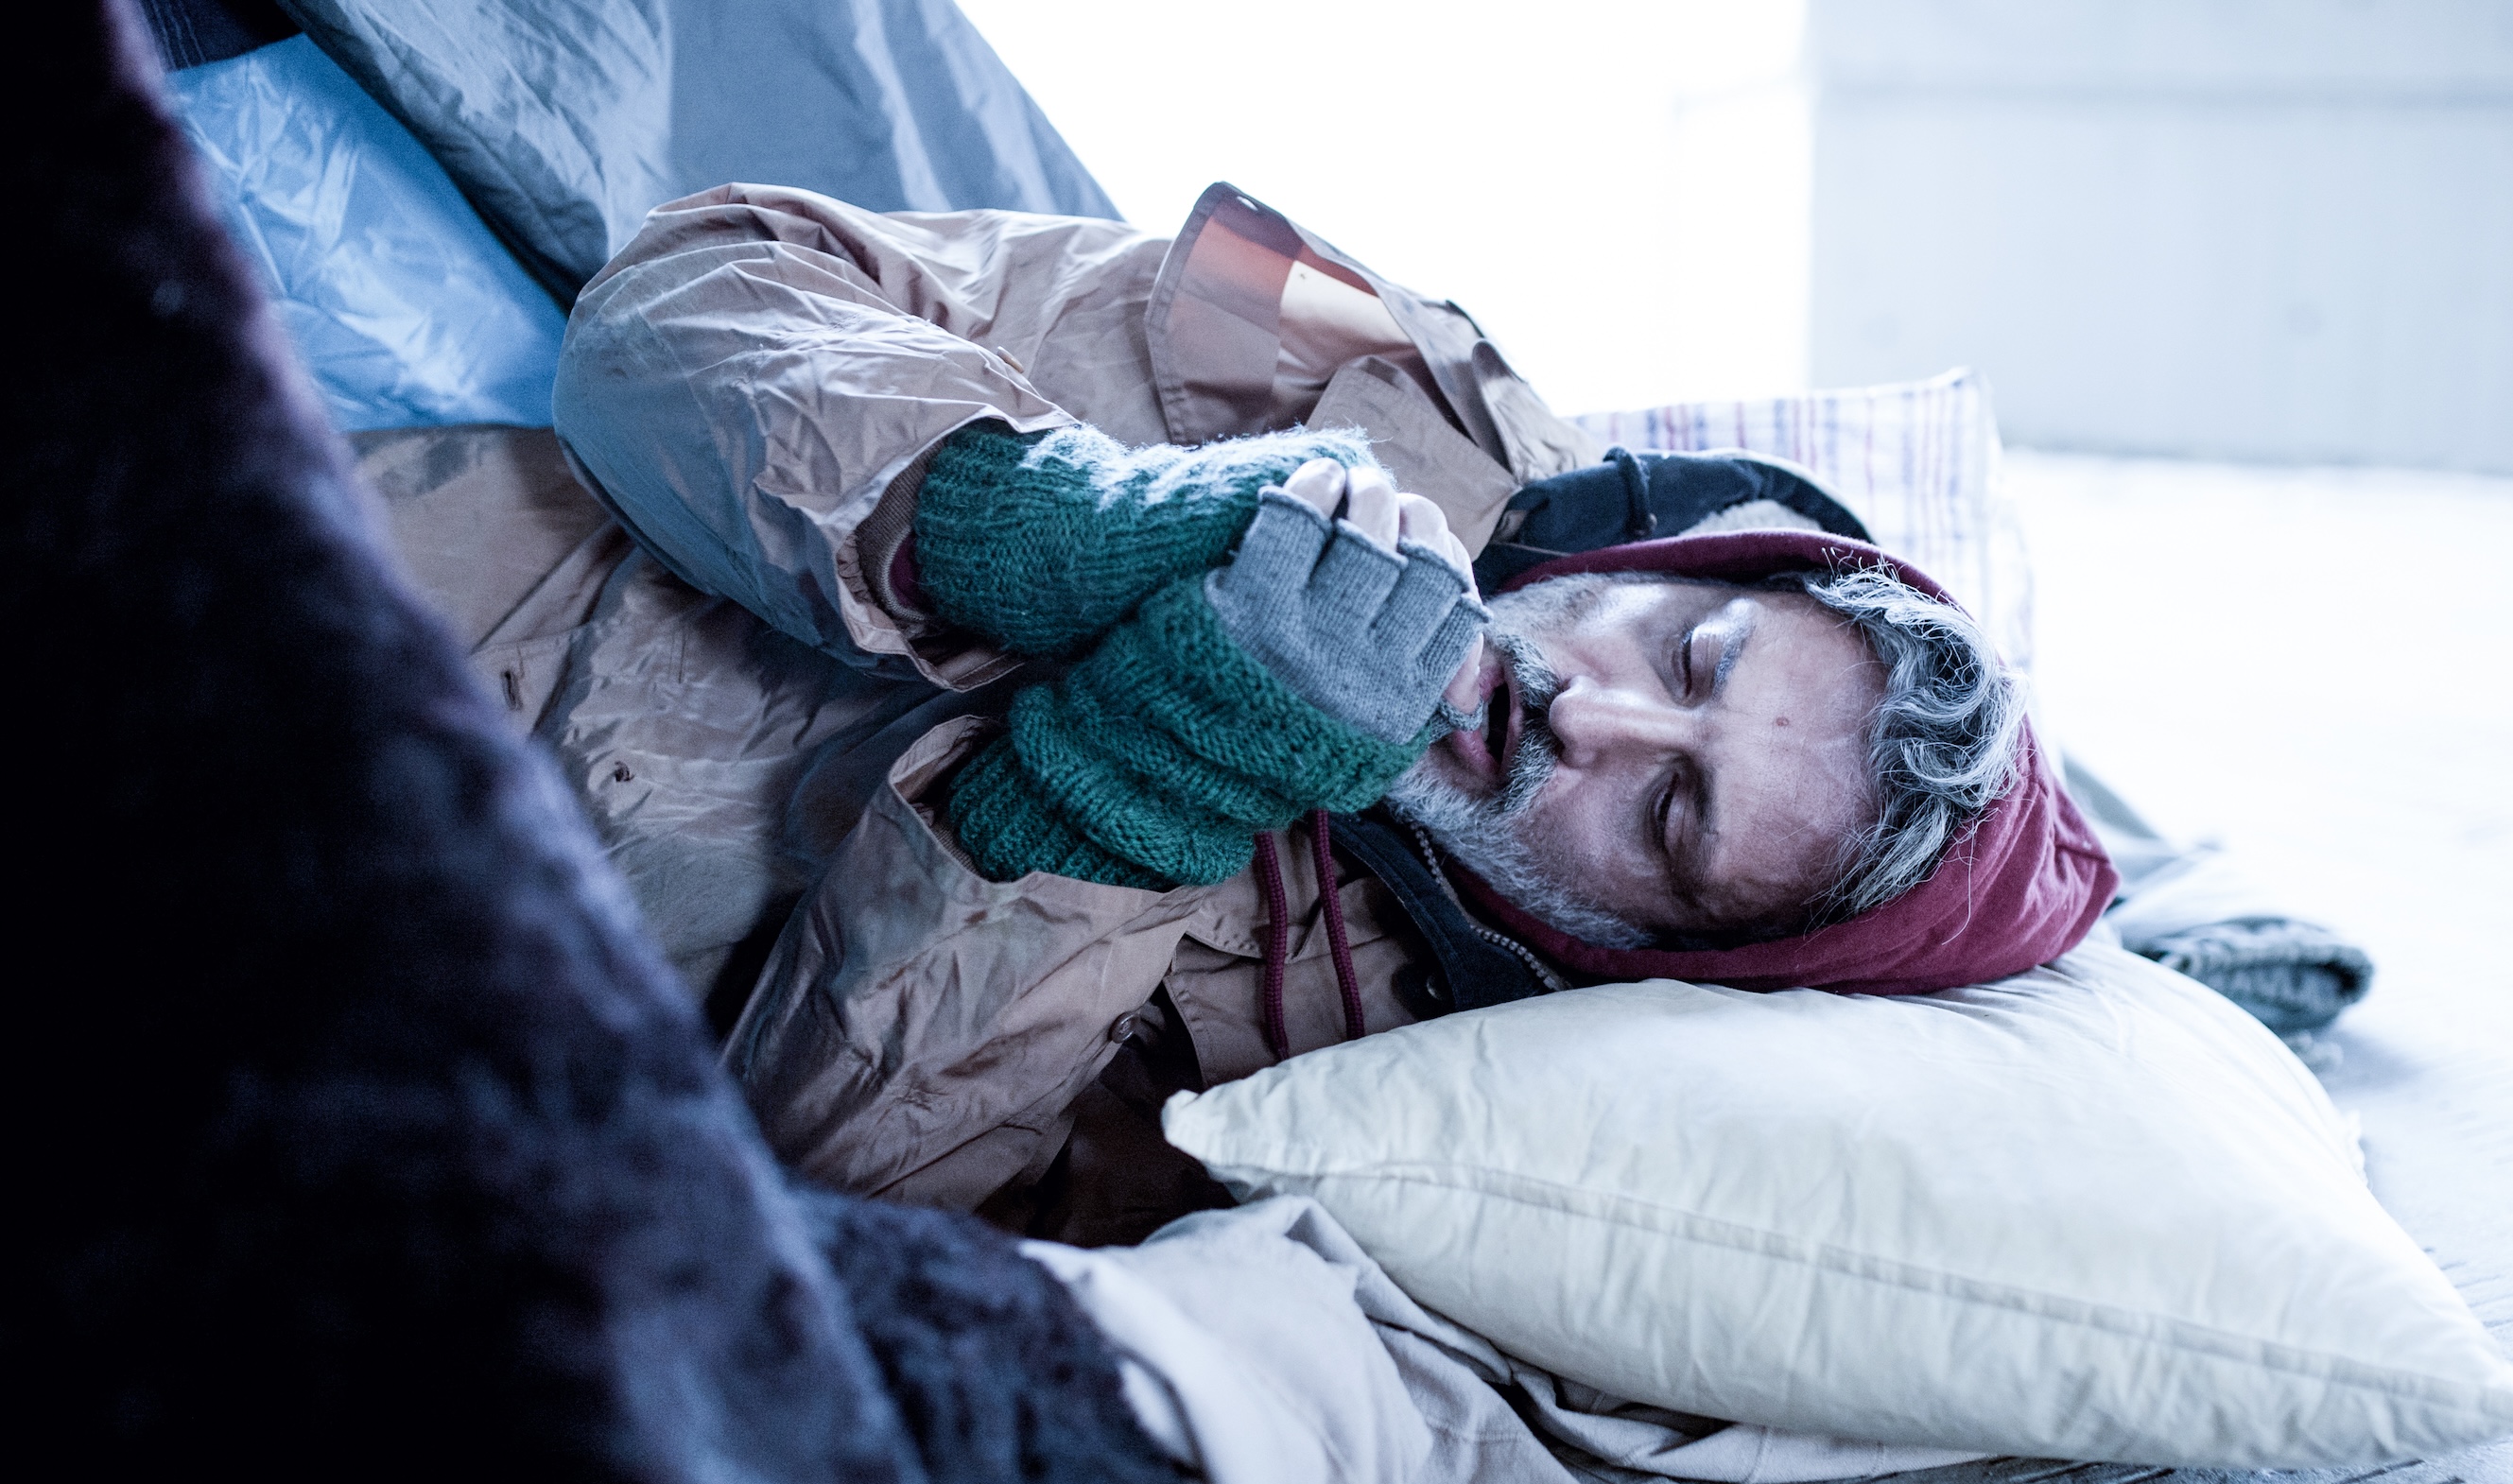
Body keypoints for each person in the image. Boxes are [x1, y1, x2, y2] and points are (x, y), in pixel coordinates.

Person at [505, 179, 2116, 1242]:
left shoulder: (1352, 1097)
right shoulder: (1384, 372)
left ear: (1652, 949)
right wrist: (1026, 518)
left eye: (1667, 817)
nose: (1590, 718)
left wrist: (1124, 801)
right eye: (1689, 658)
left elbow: (836, 1228)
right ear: (1687, 562)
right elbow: (688, 288)